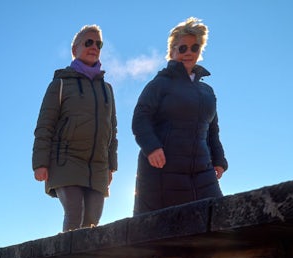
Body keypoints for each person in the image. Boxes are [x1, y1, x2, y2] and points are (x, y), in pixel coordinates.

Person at [131, 17, 227, 214]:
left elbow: (212, 131)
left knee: (218, 220)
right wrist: (152, 147)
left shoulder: (207, 91)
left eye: (195, 47)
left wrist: (219, 160)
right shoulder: (160, 84)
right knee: (162, 233)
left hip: (202, 172)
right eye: (182, 48)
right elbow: (140, 118)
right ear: (172, 51)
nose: (188, 53)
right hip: (163, 170)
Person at [32, 24, 118, 232]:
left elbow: (112, 130)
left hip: (97, 165)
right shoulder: (60, 84)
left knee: (92, 221)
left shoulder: (107, 89)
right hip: (65, 160)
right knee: (74, 213)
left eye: (98, 44)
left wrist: (111, 166)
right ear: (75, 49)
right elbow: (45, 124)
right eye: (88, 42)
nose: (94, 47)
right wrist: (40, 162)